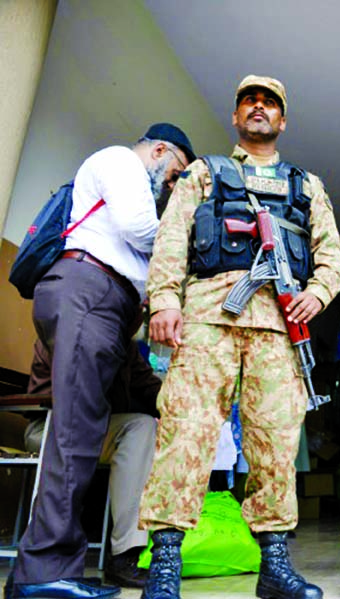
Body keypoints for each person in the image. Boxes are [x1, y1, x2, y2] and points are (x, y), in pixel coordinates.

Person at [138, 75, 340, 599]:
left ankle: (274, 566)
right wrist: (163, 301)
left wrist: (317, 295)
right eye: (249, 101)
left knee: (275, 445)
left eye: (269, 102)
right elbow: (171, 240)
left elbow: (331, 258)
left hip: (278, 328)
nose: (259, 107)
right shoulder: (205, 173)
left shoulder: (306, 186)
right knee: (185, 436)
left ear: (282, 119)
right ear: (235, 116)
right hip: (209, 321)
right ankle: (165, 565)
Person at [5, 123, 193, 599]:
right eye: (175, 175)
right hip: (87, 290)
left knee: (84, 432)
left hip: (100, 300)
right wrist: (184, 250)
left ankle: (52, 569)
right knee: (74, 434)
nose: (173, 187)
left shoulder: (130, 192)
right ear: (159, 151)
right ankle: (42, 573)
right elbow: (137, 228)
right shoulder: (119, 161)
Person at [23, 339, 161, 588]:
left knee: (142, 425)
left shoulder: (122, 340)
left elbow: (148, 386)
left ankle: (124, 555)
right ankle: (53, 562)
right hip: (51, 425)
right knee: (118, 423)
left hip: (96, 427)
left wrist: (186, 410)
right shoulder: (68, 324)